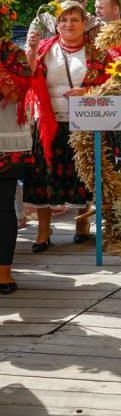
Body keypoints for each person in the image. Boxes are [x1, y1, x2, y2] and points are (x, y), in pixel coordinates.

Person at [23, 3, 111, 250]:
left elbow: (113, 82)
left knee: (81, 174)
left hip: (83, 121)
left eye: (74, 19)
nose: (68, 24)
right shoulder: (42, 49)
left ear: (85, 24)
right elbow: (27, 75)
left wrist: (87, 91)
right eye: (63, 20)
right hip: (47, 122)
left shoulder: (98, 52)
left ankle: (81, 223)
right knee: (43, 175)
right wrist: (30, 48)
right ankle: (43, 230)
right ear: (56, 24)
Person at [0, 22, 32, 295]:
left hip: (5, 139)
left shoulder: (14, 54)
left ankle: (4, 273)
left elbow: (17, 91)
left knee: (3, 208)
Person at [29, 0, 104, 42]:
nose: (69, 24)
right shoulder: (41, 22)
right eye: (66, 12)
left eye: (79, 10)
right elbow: (29, 54)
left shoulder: (94, 25)